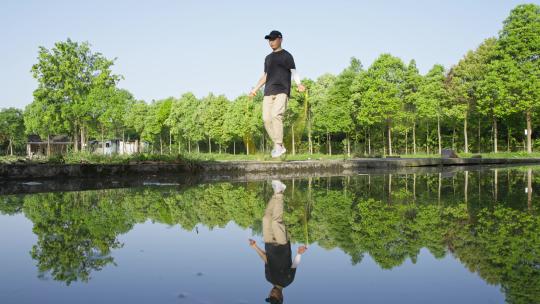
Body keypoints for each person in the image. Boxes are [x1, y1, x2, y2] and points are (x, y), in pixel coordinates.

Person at [249, 180, 308, 304]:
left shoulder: (268, 278)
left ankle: (277, 192)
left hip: (269, 243)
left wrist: (255, 247)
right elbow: (294, 265)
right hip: (282, 244)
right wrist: (299, 253)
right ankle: (279, 193)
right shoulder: (288, 281)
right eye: (274, 297)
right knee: (276, 222)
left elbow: (266, 259)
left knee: (266, 218)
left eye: (270, 296)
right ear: (281, 297)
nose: (271, 294)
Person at [249, 30, 306, 158]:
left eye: (273, 39)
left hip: (282, 90)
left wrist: (299, 84)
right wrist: (255, 89)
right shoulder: (268, 58)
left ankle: (278, 144)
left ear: (280, 39)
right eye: (269, 40)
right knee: (266, 119)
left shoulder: (287, 56)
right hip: (268, 91)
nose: (271, 42)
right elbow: (265, 76)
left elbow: (293, 71)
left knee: (276, 115)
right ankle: (279, 145)